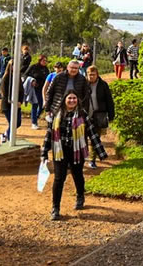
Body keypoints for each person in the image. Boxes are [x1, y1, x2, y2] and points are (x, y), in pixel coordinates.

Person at [41, 89, 107, 221]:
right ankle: (55, 208)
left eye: (74, 98)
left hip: (77, 152)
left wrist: (101, 152)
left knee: (77, 175)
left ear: (78, 101)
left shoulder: (83, 115)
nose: (72, 101)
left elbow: (92, 133)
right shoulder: (56, 114)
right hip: (60, 151)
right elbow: (49, 133)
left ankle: (80, 196)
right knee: (59, 179)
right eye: (69, 98)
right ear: (64, 100)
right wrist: (44, 152)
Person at [86, 65, 114, 169]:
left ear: (97, 75)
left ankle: (92, 160)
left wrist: (111, 115)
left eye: (93, 74)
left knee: (95, 139)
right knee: (82, 138)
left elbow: (109, 101)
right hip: (84, 117)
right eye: (89, 74)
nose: (91, 76)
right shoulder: (84, 84)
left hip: (98, 116)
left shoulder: (103, 85)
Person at [0, 59, 23, 144]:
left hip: (17, 105)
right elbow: (5, 93)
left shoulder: (18, 77)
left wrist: (20, 101)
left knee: (18, 123)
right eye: (13, 65)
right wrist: (13, 102)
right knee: (13, 123)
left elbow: (21, 91)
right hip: (7, 105)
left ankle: (5, 134)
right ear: (10, 66)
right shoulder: (6, 78)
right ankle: (9, 139)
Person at [24, 54, 49, 129]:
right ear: (40, 60)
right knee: (35, 104)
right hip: (34, 89)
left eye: (46, 61)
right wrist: (31, 81)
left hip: (42, 89)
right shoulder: (33, 67)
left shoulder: (46, 69)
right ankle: (34, 123)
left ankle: (35, 116)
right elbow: (25, 75)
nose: (45, 62)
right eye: (44, 60)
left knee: (42, 105)